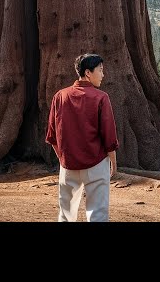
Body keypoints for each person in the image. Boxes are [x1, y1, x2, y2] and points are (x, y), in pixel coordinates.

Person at [45, 53, 119, 222]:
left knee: (66, 213)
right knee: (97, 213)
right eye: (100, 70)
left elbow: (52, 135)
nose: (103, 75)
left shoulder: (60, 96)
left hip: (68, 165)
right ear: (88, 73)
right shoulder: (101, 97)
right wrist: (113, 163)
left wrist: (63, 159)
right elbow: (109, 136)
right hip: (97, 163)